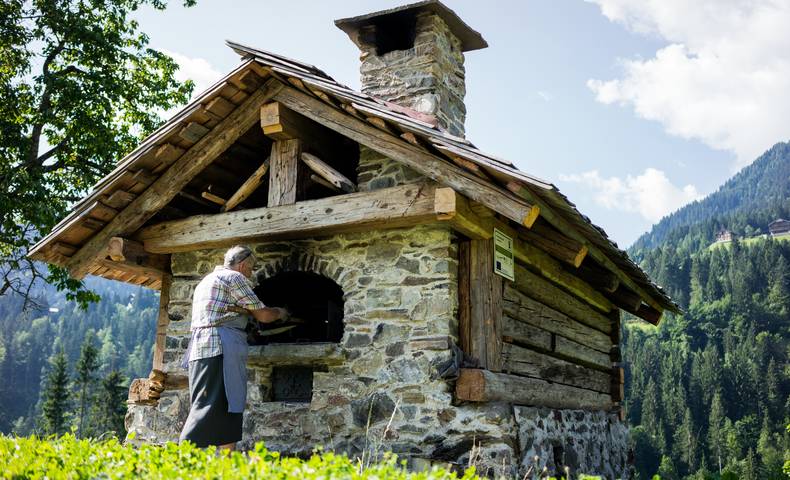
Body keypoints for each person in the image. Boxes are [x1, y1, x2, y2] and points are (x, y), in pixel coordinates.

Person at [179, 245, 287, 451]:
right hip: (218, 348)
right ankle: (180, 463)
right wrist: (281, 312)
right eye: (251, 270)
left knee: (228, 408)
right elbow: (263, 315)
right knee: (206, 409)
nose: (251, 275)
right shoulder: (234, 278)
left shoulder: (206, 281)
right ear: (243, 264)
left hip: (202, 348)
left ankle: (227, 469)